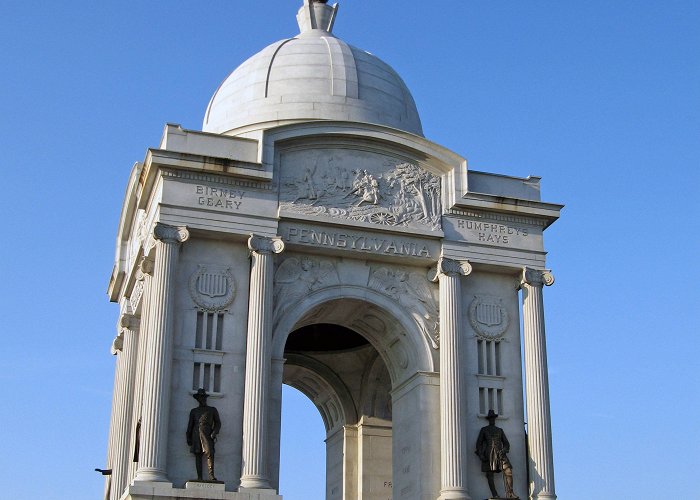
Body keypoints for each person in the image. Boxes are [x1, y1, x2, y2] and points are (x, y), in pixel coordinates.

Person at [475, 410, 517, 499]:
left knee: (508, 471)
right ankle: (494, 494)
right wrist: (481, 455)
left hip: (500, 454)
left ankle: (510, 493)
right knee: (489, 474)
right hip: (489, 454)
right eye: (491, 418)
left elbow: (506, 443)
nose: (492, 420)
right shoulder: (484, 430)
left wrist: (505, 450)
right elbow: (479, 444)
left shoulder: (499, 430)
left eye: (493, 418)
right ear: (489, 419)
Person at [186, 388, 221, 481]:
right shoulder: (194, 411)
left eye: (203, 397)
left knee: (210, 453)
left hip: (207, 433)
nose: (201, 399)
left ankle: (211, 475)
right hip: (196, 434)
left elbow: (218, 423)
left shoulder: (212, 410)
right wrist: (188, 436)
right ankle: (199, 477)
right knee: (198, 454)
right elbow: (190, 425)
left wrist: (214, 432)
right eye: (200, 398)